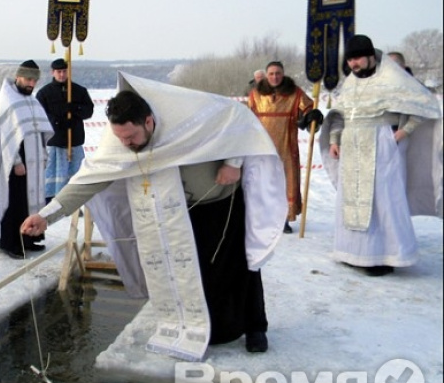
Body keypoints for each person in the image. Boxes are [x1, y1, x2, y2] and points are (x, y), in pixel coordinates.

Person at [21, 73, 287, 359]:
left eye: (132, 137)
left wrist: (234, 162)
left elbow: (239, 118)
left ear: (148, 121)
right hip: (181, 212)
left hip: (223, 200)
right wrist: (47, 216)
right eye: (120, 138)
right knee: (199, 272)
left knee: (240, 263)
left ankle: (256, 326)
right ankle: (212, 328)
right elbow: (89, 179)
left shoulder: (188, 113)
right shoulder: (120, 138)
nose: (126, 144)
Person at [319, 35, 442, 276]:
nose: (353, 64)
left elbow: (424, 105)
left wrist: (404, 131)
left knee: (382, 200)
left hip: (380, 145)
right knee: (351, 199)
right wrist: (334, 139)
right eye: (350, 59)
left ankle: (384, 256)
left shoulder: (392, 77)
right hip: (352, 147)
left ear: (370, 56)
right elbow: (339, 115)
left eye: (357, 58)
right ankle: (352, 252)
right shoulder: (350, 82)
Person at [0, 60, 54, 259]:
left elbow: (40, 130)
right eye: (28, 79)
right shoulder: (8, 100)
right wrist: (16, 162)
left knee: (29, 201)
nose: (31, 84)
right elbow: (6, 137)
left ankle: (28, 239)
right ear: (18, 77)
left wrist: (43, 154)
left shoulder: (31, 100)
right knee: (13, 201)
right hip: (15, 163)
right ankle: (9, 242)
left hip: (34, 160)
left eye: (34, 80)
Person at [248, 61, 322, 234]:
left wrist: (312, 115)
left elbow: (308, 109)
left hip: (287, 147)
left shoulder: (294, 93)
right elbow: (248, 118)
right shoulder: (255, 95)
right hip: (262, 148)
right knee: (264, 183)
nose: (275, 77)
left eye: (278, 73)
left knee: (285, 183)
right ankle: (264, 218)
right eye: (272, 73)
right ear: (267, 75)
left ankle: (283, 219)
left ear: (283, 74)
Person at [36, 58, 95, 204]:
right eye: (58, 72)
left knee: (74, 173)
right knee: (52, 173)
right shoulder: (44, 93)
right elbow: (39, 115)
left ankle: (72, 201)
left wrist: (74, 109)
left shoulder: (79, 91)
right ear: (53, 72)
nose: (62, 75)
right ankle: (49, 199)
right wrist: (57, 121)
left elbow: (88, 111)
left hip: (74, 140)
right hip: (54, 141)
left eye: (64, 71)